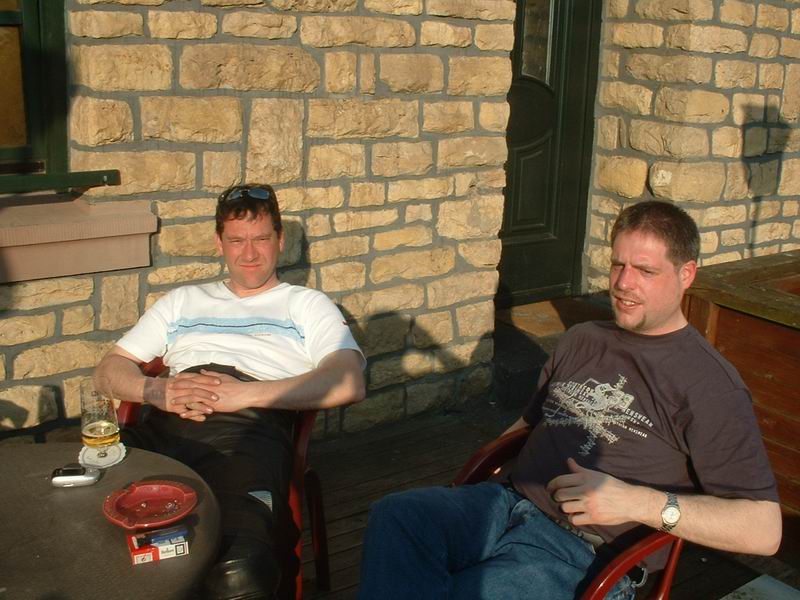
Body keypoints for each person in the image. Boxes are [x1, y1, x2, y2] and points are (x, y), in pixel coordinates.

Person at [357, 200, 782, 600]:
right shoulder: (584, 338)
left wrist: (634, 501)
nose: (623, 283)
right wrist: (471, 483)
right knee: (397, 515)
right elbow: (528, 425)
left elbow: (763, 531)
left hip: (584, 555)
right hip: (506, 504)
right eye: (618, 264)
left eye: (645, 271)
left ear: (686, 274)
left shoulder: (710, 386)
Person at [94, 183, 366, 600]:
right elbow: (108, 370)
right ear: (219, 243)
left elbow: (349, 380)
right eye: (237, 240)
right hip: (166, 424)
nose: (249, 253)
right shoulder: (183, 300)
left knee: (239, 571)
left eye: (261, 238)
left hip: (248, 433)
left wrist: (244, 395)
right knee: (84, 513)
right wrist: (155, 390)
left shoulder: (305, 304)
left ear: (280, 240)